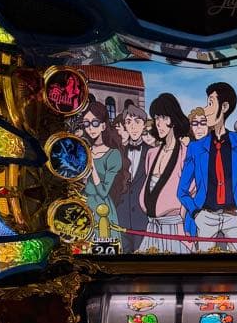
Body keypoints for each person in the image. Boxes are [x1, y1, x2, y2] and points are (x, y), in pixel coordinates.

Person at [177, 81, 237, 250]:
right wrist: (196, 213)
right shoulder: (196, 148)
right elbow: (182, 190)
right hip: (205, 217)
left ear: (224, 107)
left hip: (233, 216)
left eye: (211, 103)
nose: (206, 110)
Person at [138, 92, 190, 253]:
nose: (159, 123)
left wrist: (183, 219)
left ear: (173, 119)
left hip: (175, 229)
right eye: (156, 118)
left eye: (163, 117)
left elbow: (191, 192)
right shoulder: (151, 154)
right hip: (151, 228)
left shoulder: (185, 154)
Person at [79, 100, 128, 232]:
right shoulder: (83, 149)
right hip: (81, 207)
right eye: (86, 123)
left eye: (95, 123)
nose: (90, 128)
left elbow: (103, 191)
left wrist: (92, 167)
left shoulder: (113, 154)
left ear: (103, 126)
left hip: (102, 210)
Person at [115, 104, 151, 252]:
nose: (133, 126)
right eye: (129, 122)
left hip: (142, 218)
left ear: (144, 125)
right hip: (120, 217)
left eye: (137, 121)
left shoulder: (152, 153)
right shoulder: (117, 153)